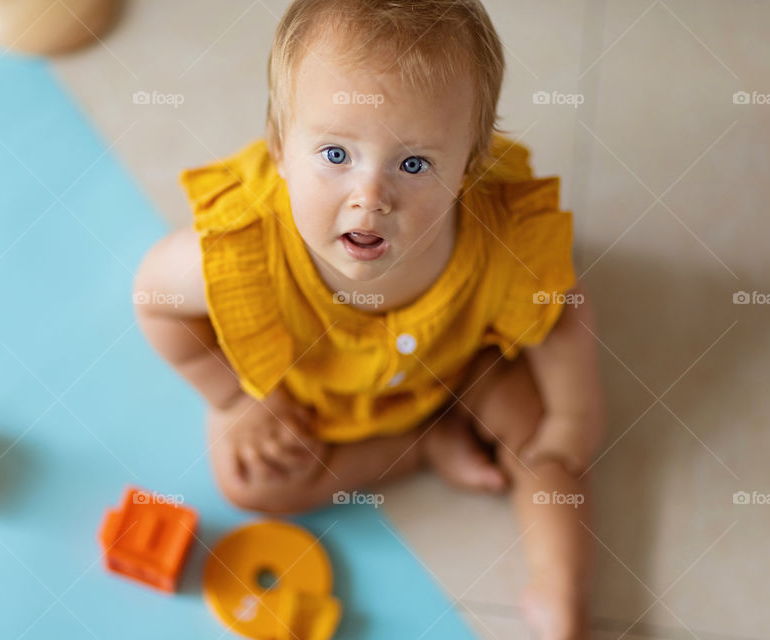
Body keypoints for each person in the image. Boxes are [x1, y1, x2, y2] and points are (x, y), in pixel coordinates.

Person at [135, 1, 606, 637]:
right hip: (310, 400)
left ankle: (561, 601)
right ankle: (422, 448)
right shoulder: (244, 252)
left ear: (468, 168)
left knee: (545, 445)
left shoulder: (500, 239)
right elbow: (153, 299)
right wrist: (236, 402)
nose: (370, 196)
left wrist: (573, 419)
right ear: (279, 148)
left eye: (413, 164)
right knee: (247, 481)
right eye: (335, 154)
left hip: (462, 365)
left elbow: (563, 307)